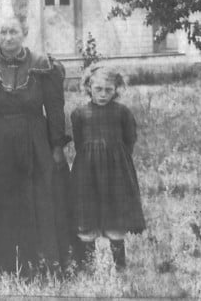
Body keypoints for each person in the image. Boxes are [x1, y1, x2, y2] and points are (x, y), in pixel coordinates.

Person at [0, 13, 72, 275]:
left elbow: (54, 108)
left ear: (25, 32)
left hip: (35, 143)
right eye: (3, 32)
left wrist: (56, 147)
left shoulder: (44, 66)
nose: (8, 38)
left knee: (38, 197)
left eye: (13, 32)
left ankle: (40, 262)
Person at [69, 66, 146, 272]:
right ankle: (88, 267)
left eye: (108, 90)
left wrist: (115, 158)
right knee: (87, 216)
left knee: (115, 219)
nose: (103, 94)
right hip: (87, 171)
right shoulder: (79, 113)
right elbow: (79, 143)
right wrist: (93, 157)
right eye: (98, 89)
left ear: (116, 89)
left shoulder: (122, 112)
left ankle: (120, 268)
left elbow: (130, 140)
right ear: (89, 87)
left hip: (116, 172)